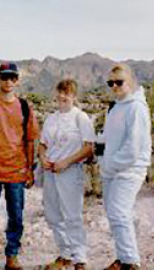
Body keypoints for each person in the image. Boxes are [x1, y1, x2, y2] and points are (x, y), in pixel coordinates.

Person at [0, 61, 39, 270]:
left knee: (17, 218)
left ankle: (12, 256)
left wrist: (30, 169)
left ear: (17, 80)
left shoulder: (24, 107)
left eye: (12, 77)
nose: (8, 81)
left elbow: (30, 140)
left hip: (17, 170)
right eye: (5, 77)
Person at [38, 79, 95, 270]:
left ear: (74, 96)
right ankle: (65, 254)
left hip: (70, 171)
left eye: (68, 93)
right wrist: (42, 157)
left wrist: (67, 161)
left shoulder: (81, 118)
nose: (63, 96)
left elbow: (88, 148)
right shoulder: (51, 119)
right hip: (51, 171)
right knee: (53, 214)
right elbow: (43, 143)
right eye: (61, 92)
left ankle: (80, 258)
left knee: (72, 215)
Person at [102, 63, 151, 270]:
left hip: (129, 170)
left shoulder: (136, 107)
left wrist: (111, 163)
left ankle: (131, 262)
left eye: (119, 82)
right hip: (112, 170)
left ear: (130, 81)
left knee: (119, 212)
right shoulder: (116, 107)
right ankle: (124, 258)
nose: (115, 86)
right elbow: (111, 138)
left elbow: (134, 146)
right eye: (111, 83)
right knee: (116, 213)